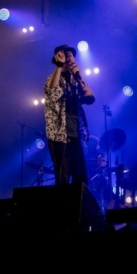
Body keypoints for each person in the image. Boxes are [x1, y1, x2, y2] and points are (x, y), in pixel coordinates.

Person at [44, 44, 95, 186]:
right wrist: (59, 67)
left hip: (76, 134)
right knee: (63, 176)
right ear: (59, 58)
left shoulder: (76, 80)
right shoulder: (54, 78)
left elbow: (90, 97)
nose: (69, 57)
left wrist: (79, 76)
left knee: (81, 178)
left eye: (71, 55)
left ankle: (78, 207)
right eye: (66, 55)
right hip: (59, 135)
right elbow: (52, 92)